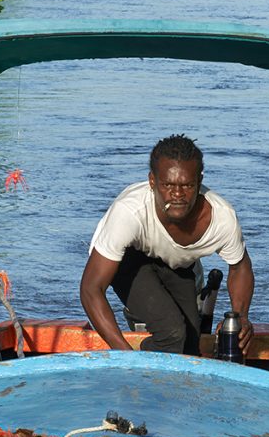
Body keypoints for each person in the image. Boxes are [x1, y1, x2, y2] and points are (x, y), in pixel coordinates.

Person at [80, 134, 254, 356]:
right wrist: (126, 355)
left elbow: (240, 267)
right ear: (152, 182)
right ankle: (142, 364)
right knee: (172, 334)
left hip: (178, 265)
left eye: (187, 185)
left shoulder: (222, 218)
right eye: (168, 185)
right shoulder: (129, 212)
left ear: (199, 182)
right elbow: (90, 289)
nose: (177, 195)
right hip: (130, 261)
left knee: (189, 345)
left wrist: (241, 317)